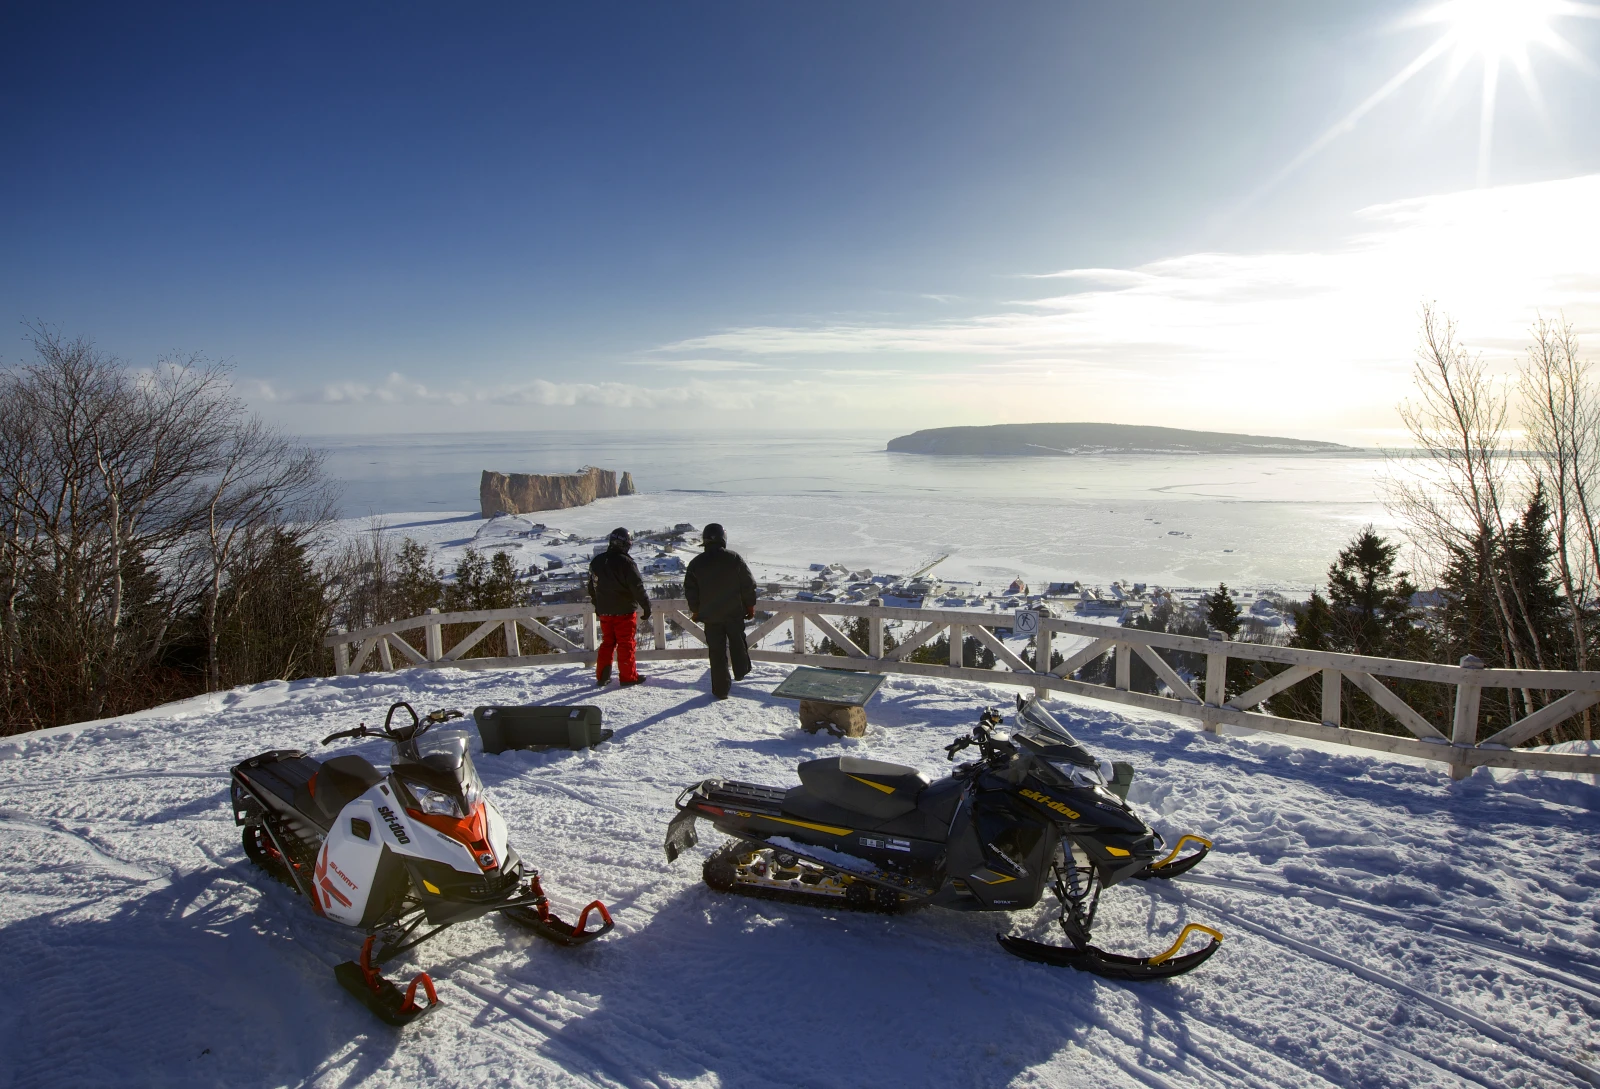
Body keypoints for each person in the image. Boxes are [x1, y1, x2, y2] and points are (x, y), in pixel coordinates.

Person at [684, 523, 757, 699]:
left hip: (710, 617)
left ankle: (720, 689)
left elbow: (690, 591)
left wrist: (696, 610)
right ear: (723, 538)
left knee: (716, 653)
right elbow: (748, 585)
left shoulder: (696, 563)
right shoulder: (734, 558)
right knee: (738, 643)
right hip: (733, 613)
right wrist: (750, 605)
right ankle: (740, 672)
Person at [588, 527, 651, 687]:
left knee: (607, 642)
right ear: (626, 544)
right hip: (624, 612)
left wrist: (598, 605)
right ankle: (628, 677)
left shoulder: (597, 561)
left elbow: (592, 587)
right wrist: (646, 605)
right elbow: (637, 587)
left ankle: (603, 676)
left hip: (605, 612)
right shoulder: (627, 563)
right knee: (625, 643)